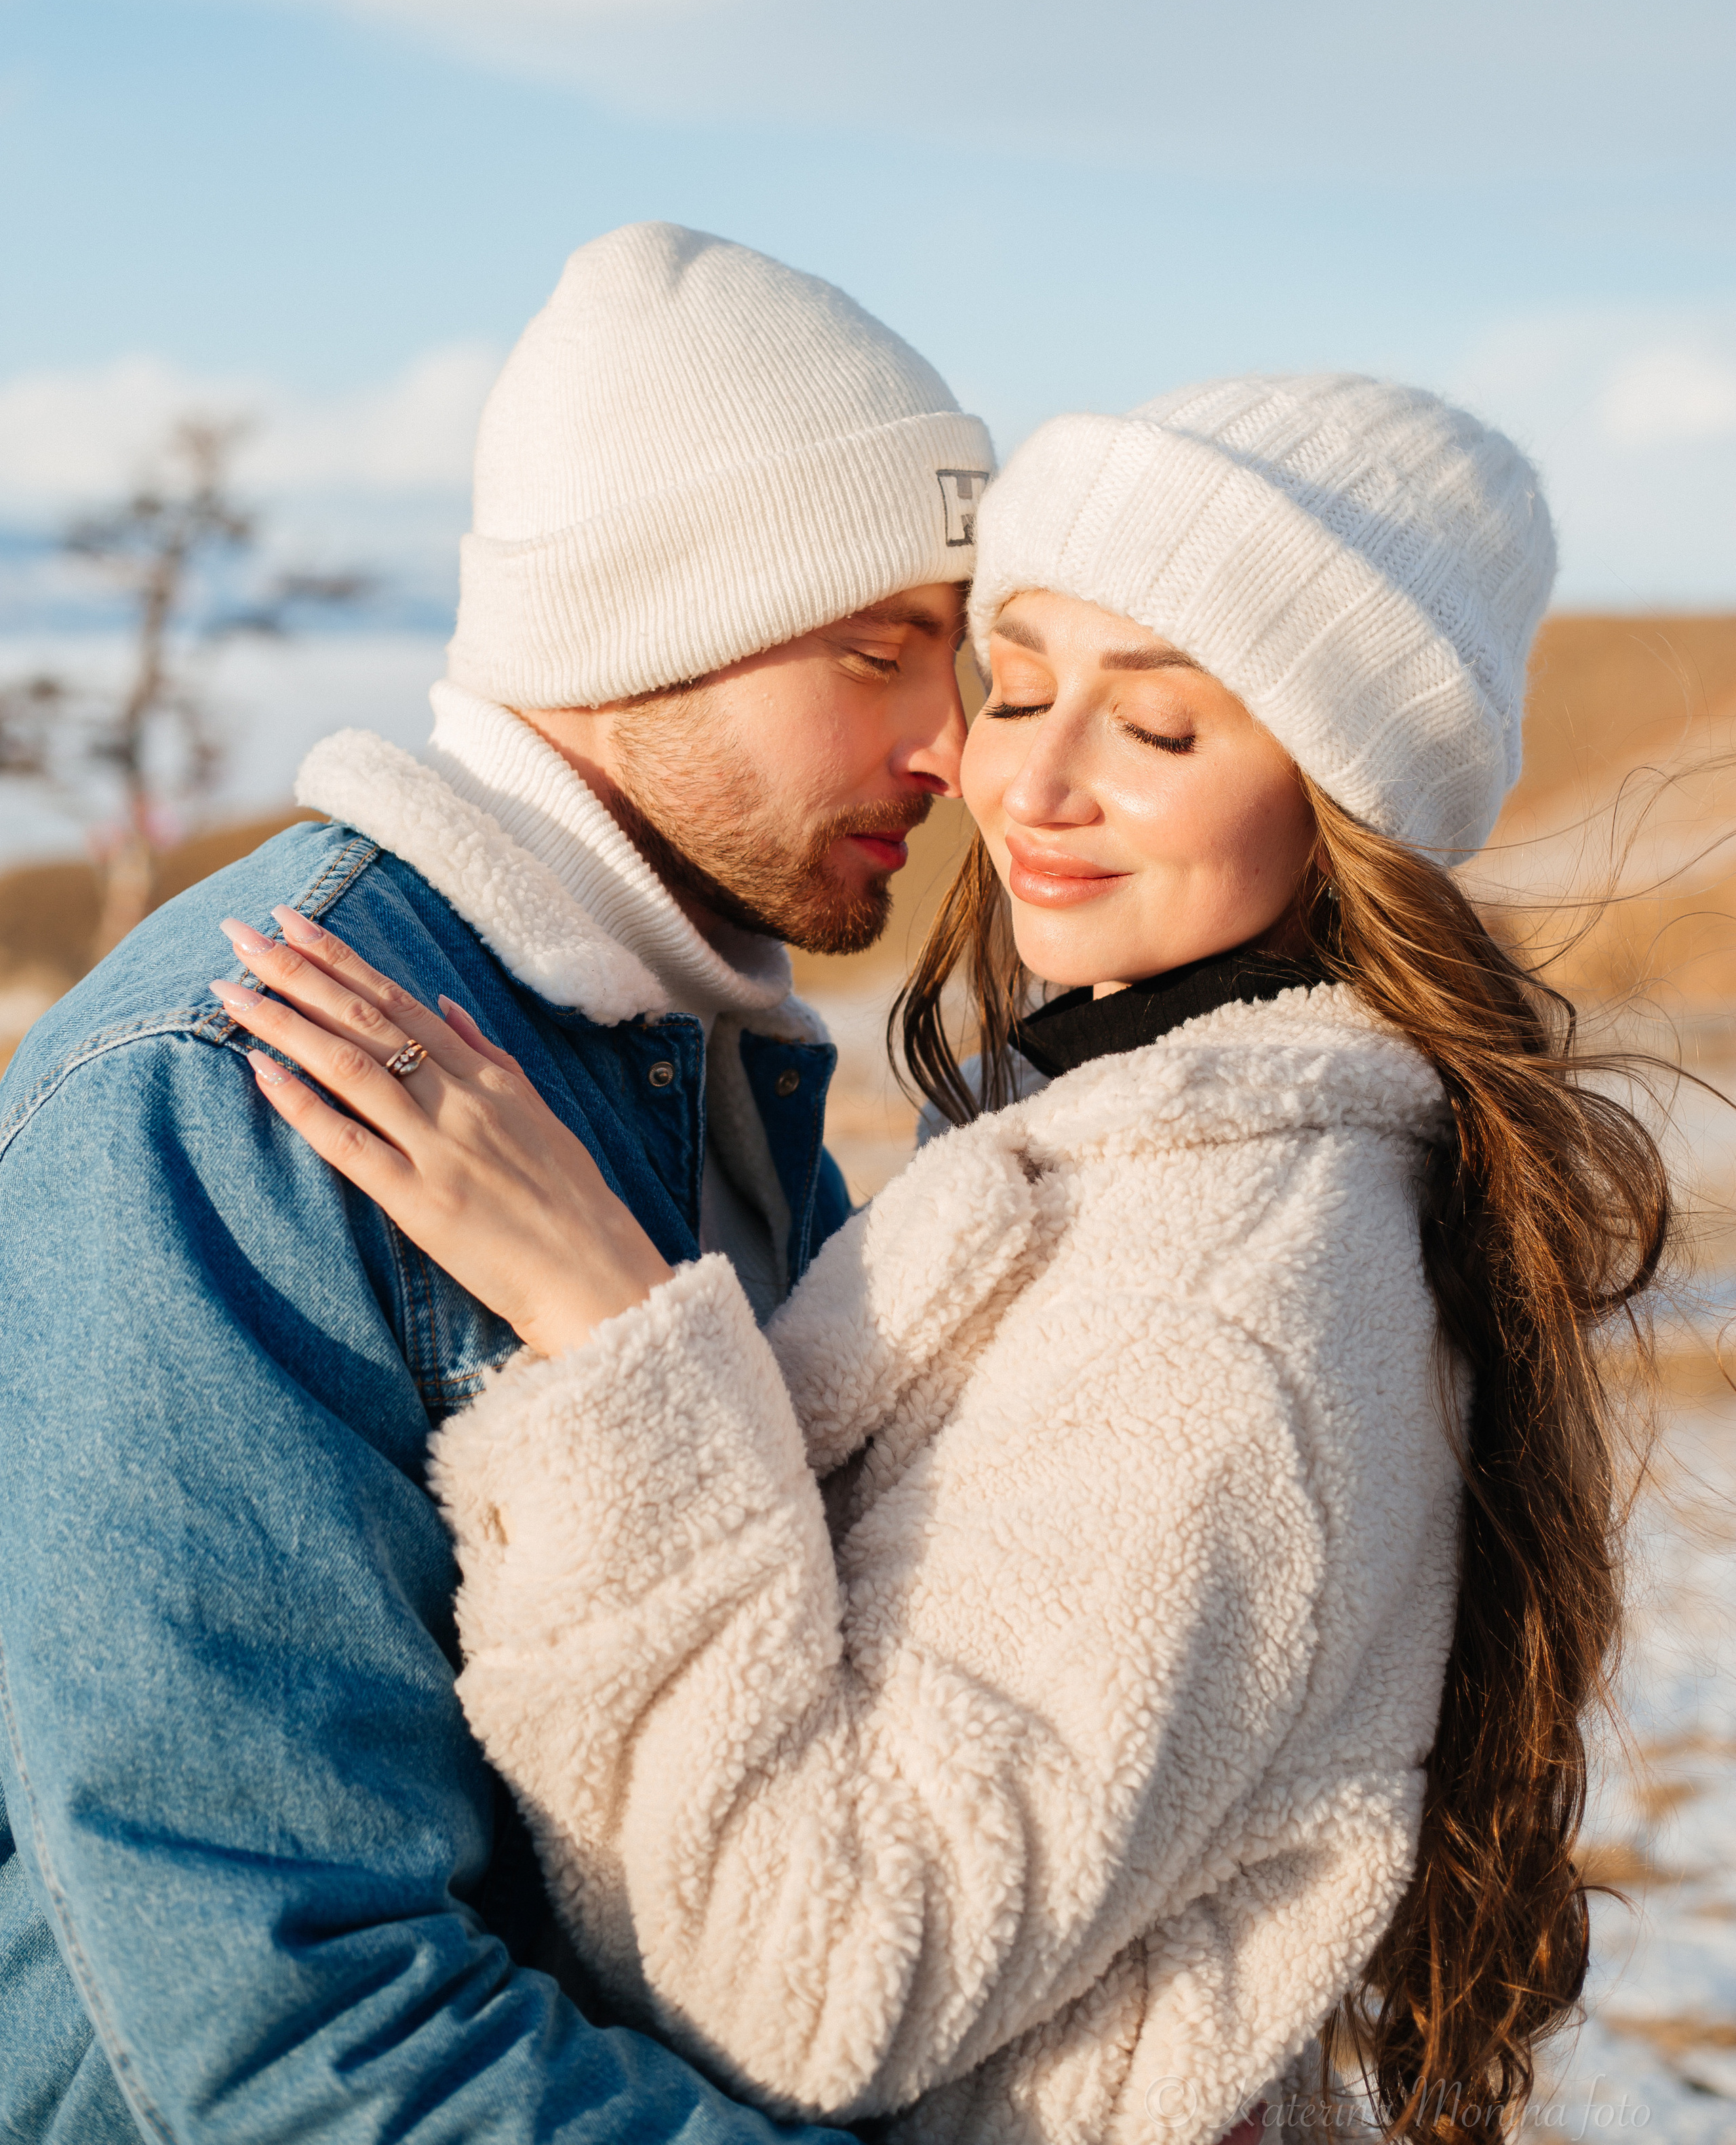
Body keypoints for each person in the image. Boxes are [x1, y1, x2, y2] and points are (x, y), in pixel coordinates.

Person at [227, 374, 1671, 2145]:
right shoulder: (1116, 1157)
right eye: (1026, 681)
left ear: (1337, 808)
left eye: (1158, 732)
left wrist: (609, 1339)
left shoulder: (1222, 1314)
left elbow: (816, 1983)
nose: (1029, 782)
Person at [0, 221, 994, 2142]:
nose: (950, 740)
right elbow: (292, 2028)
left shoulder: (696, 1066)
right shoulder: (238, 1088)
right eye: (879, 650)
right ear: (635, 639)